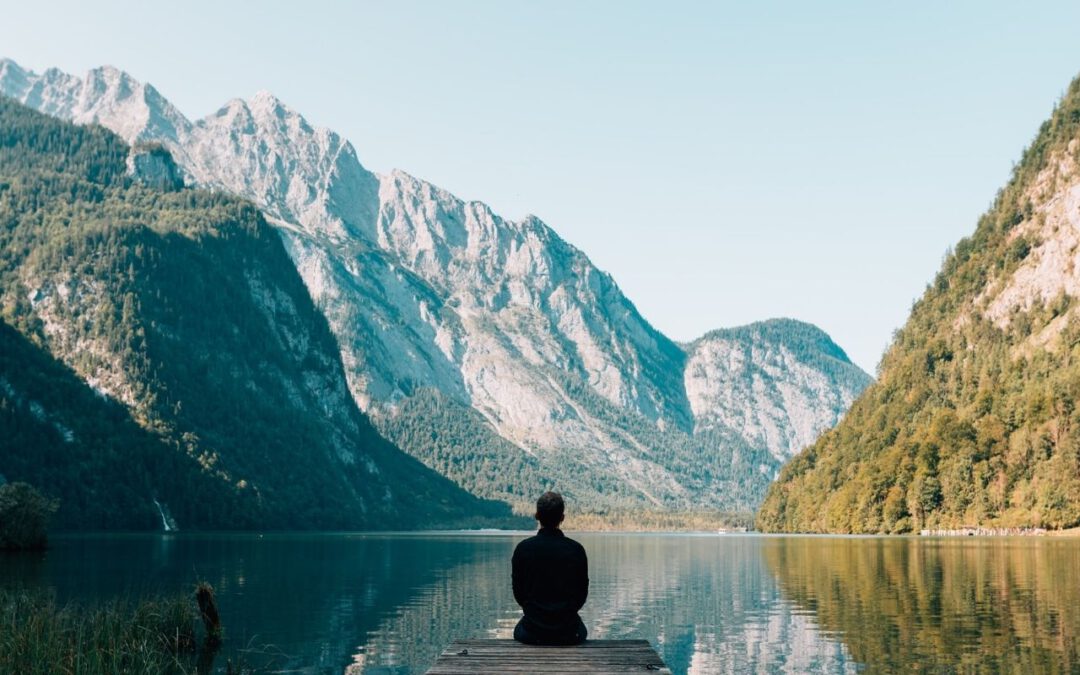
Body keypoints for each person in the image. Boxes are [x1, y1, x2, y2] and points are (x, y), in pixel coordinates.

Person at [511, 491, 589, 645]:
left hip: (532, 632)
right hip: (569, 633)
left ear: (537, 516)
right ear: (562, 518)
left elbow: (518, 593)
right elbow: (582, 594)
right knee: (580, 630)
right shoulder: (576, 550)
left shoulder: (523, 549)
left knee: (519, 630)